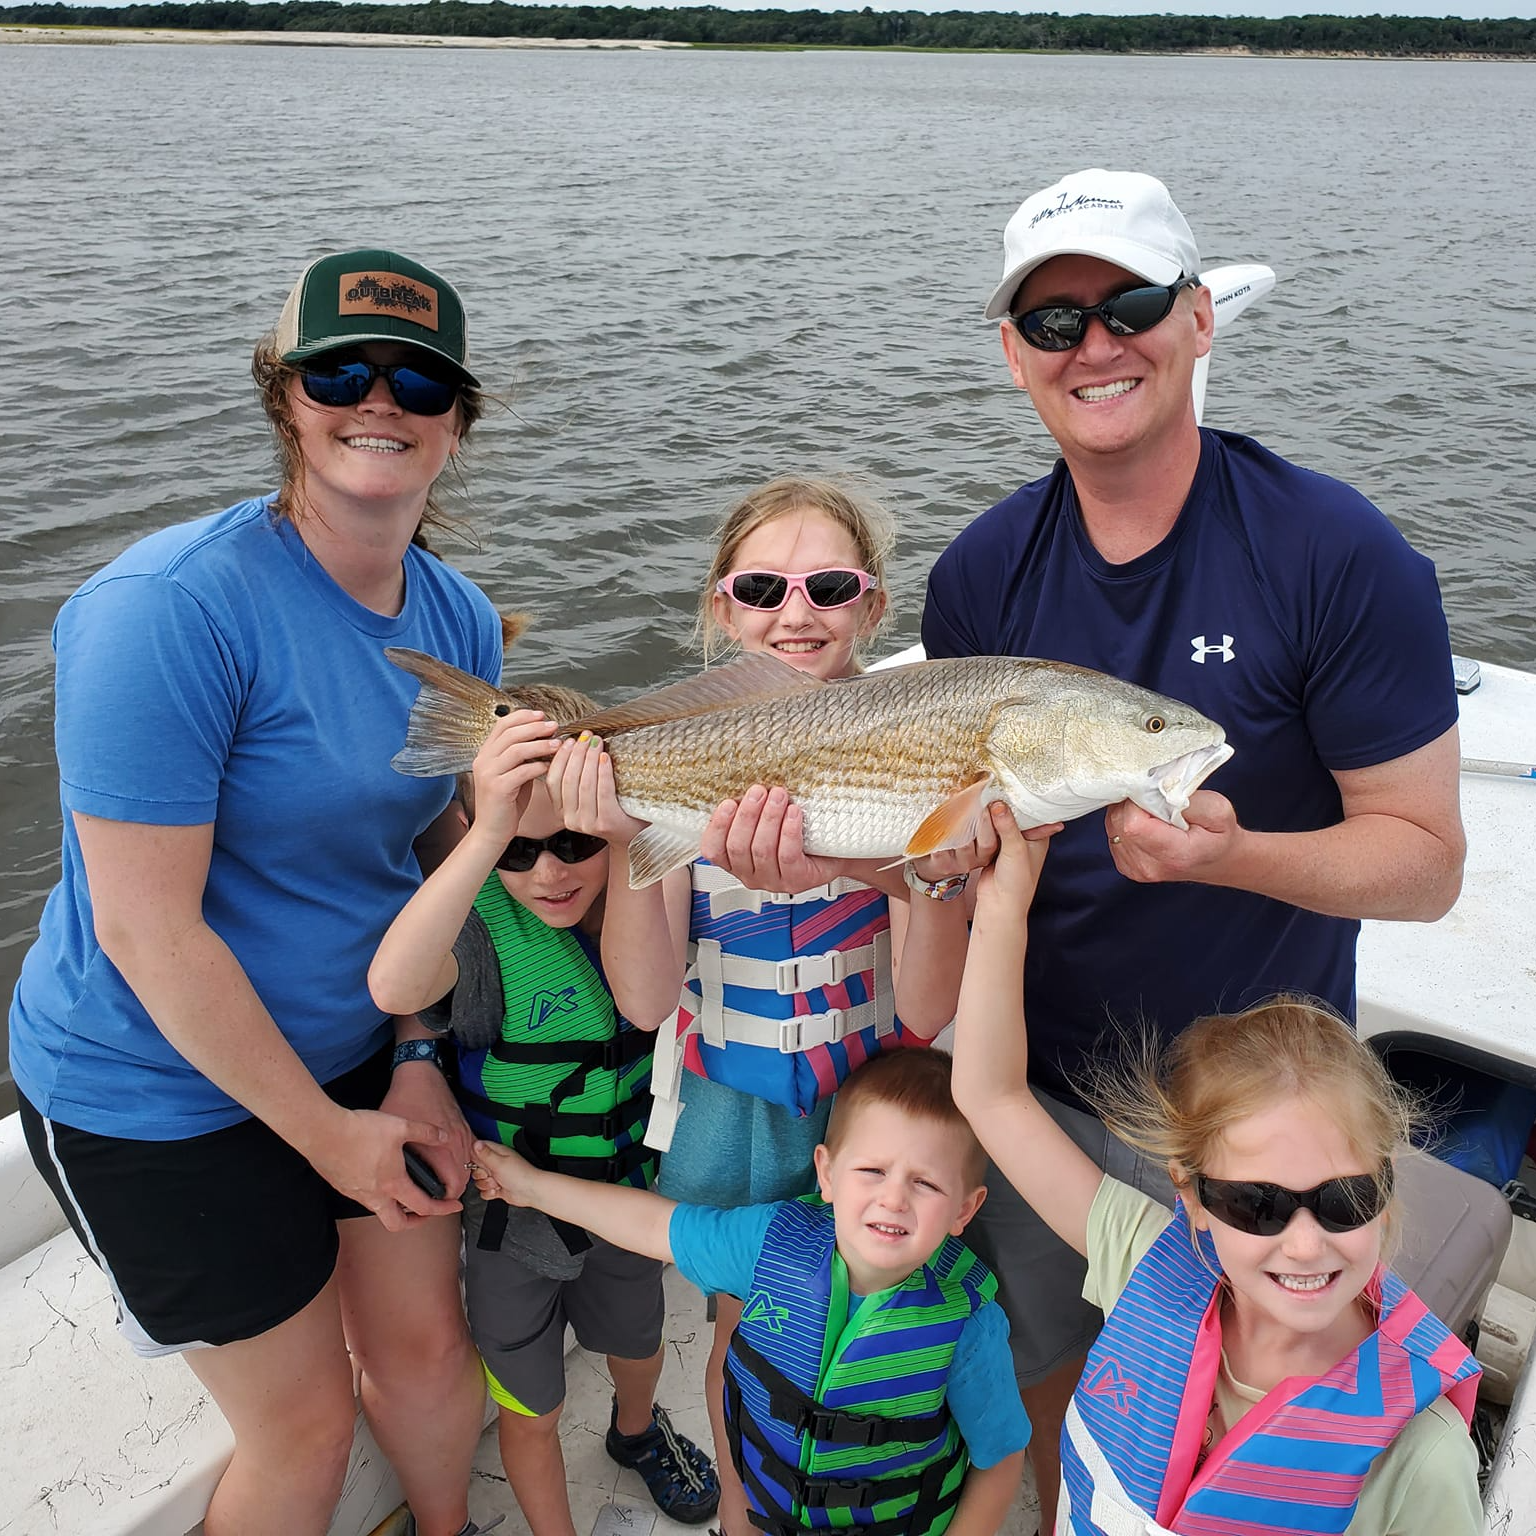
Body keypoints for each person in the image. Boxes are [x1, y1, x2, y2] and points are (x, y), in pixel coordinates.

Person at [920, 167, 1467, 1515]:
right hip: (1038, 1089)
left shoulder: (1335, 555)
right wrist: (927, 860)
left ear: (1201, 318)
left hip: (1267, 1135)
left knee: (1270, 1433)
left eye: (1134, 304)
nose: (1095, 345)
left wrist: (1241, 855)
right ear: (1012, 354)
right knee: (1058, 1374)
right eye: (1053, 323)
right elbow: (954, 829)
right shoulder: (981, 572)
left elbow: (1428, 861)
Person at [8, 249, 504, 1536]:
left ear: (458, 421)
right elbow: (146, 931)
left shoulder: (461, 623)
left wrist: (415, 1055)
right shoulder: (167, 611)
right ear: (285, 395)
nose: (380, 401)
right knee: (304, 1434)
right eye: (341, 370)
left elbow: (424, 861)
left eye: (420, 380)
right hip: (158, 1092)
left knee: (428, 1354)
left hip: (358, 1048)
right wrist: (327, 1139)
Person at [550, 474, 975, 1536]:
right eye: (762, 588)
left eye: (831, 586)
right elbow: (646, 1001)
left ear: (874, 607)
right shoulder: (683, 764)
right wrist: (616, 836)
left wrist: (916, 871)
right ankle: (746, 1511)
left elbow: (924, 1010)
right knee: (747, 1331)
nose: (797, 612)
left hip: (868, 1114)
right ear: (721, 606)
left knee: (871, 1324)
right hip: (732, 1113)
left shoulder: (925, 757)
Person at [950, 804, 1482, 1536]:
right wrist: (1004, 901)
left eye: (1344, 1199)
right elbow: (990, 1095)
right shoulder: (1147, 1261)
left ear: (1384, 1193)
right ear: (1191, 1197)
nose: (1303, 1244)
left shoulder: (1422, 1462)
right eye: (1257, 1205)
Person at [368, 691, 720, 1533]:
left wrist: (624, 838)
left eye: (574, 842)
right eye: (519, 852)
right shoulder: (483, 936)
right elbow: (395, 987)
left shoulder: (647, 898)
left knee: (637, 1345)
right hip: (509, 1226)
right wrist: (486, 834)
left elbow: (642, 1005)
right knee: (530, 1408)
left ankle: (637, 1433)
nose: (550, 872)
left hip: (624, 1195)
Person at [469, 1048, 1032, 1536]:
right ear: (827, 1174)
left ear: (964, 1208)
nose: (893, 1199)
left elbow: (1001, 1457)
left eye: (925, 1183)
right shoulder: (767, 1244)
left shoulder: (967, 1323)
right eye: (872, 1170)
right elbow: (652, 1226)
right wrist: (531, 1186)